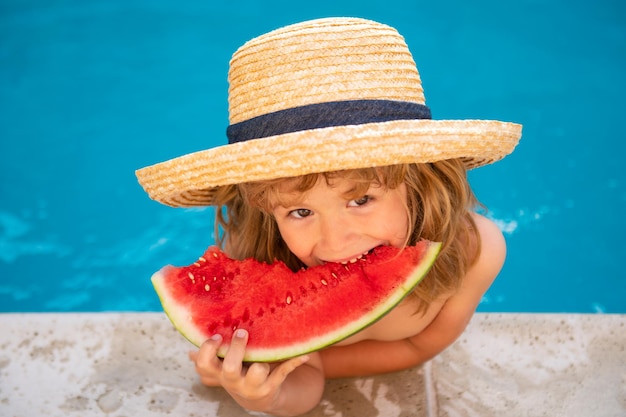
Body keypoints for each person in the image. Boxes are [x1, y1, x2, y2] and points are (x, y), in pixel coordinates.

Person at [136, 17, 522, 416]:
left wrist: (301, 362)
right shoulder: (251, 254)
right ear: (265, 207)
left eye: (361, 200)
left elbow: (419, 346)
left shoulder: (476, 250)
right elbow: (306, 372)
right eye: (301, 211)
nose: (336, 243)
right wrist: (266, 390)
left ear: (420, 179)